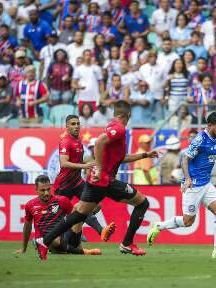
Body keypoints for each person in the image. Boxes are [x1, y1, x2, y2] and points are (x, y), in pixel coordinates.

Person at [35, 100, 159, 259]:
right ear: (129, 114)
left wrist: (144, 155)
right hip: (105, 180)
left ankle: (44, 240)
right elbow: (100, 142)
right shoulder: (119, 129)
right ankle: (127, 244)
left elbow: (120, 157)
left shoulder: (111, 126)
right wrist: (100, 168)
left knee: (79, 214)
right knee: (142, 203)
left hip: (95, 181)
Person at [147, 111, 216, 259]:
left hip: (206, 183)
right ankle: (159, 226)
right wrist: (187, 179)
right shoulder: (199, 139)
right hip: (193, 186)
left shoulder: (214, 137)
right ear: (209, 125)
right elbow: (185, 158)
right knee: (187, 222)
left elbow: (210, 154)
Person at [53, 115, 116, 247]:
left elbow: (79, 161)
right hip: (64, 184)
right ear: (67, 127)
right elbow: (64, 163)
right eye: (73, 124)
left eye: (78, 123)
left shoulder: (78, 141)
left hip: (77, 182)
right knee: (57, 216)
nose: (76, 126)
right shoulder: (65, 141)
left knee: (95, 205)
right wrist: (84, 166)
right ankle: (46, 238)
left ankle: (97, 229)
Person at [16, 175, 102, 256]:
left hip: (66, 237)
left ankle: (81, 246)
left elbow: (75, 219)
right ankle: (83, 252)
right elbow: (27, 226)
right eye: (43, 190)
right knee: (54, 240)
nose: (46, 193)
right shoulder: (30, 205)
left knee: (78, 208)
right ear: (36, 190)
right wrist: (24, 248)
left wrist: (79, 244)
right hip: (48, 241)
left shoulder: (62, 200)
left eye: (48, 189)